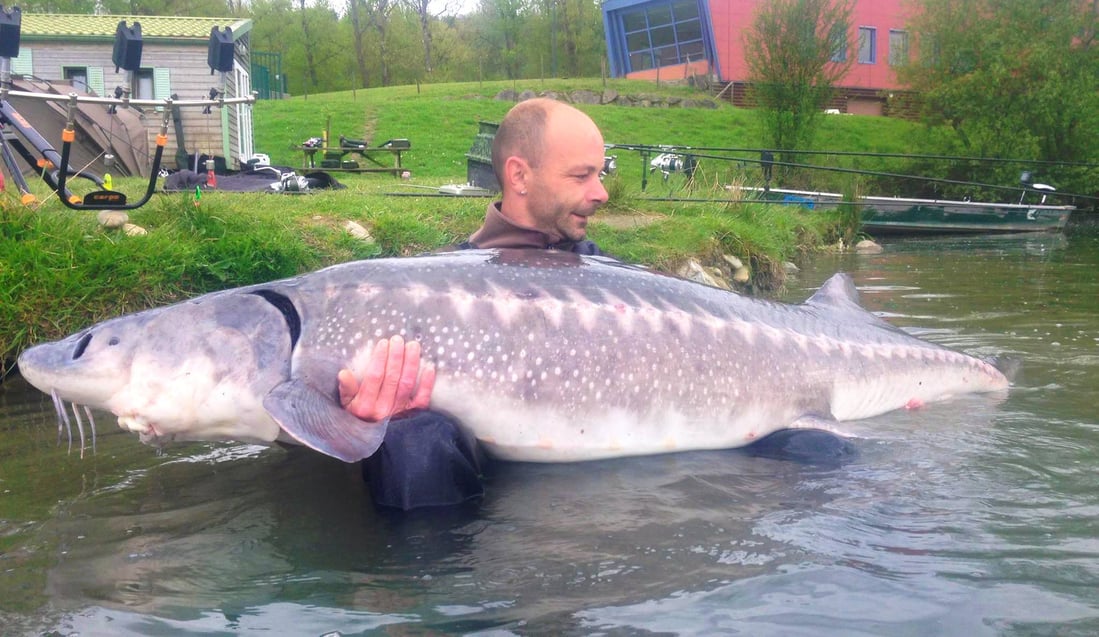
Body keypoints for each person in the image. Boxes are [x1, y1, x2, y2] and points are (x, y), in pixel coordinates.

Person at [337, 98, 611, 509]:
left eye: (600, 175)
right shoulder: (428, 289)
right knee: (410, 441)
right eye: (582, 176)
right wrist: (352, 423)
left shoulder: (616, 279)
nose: (602, 193)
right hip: (476, 524)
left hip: (612, 505)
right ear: (519, 175)